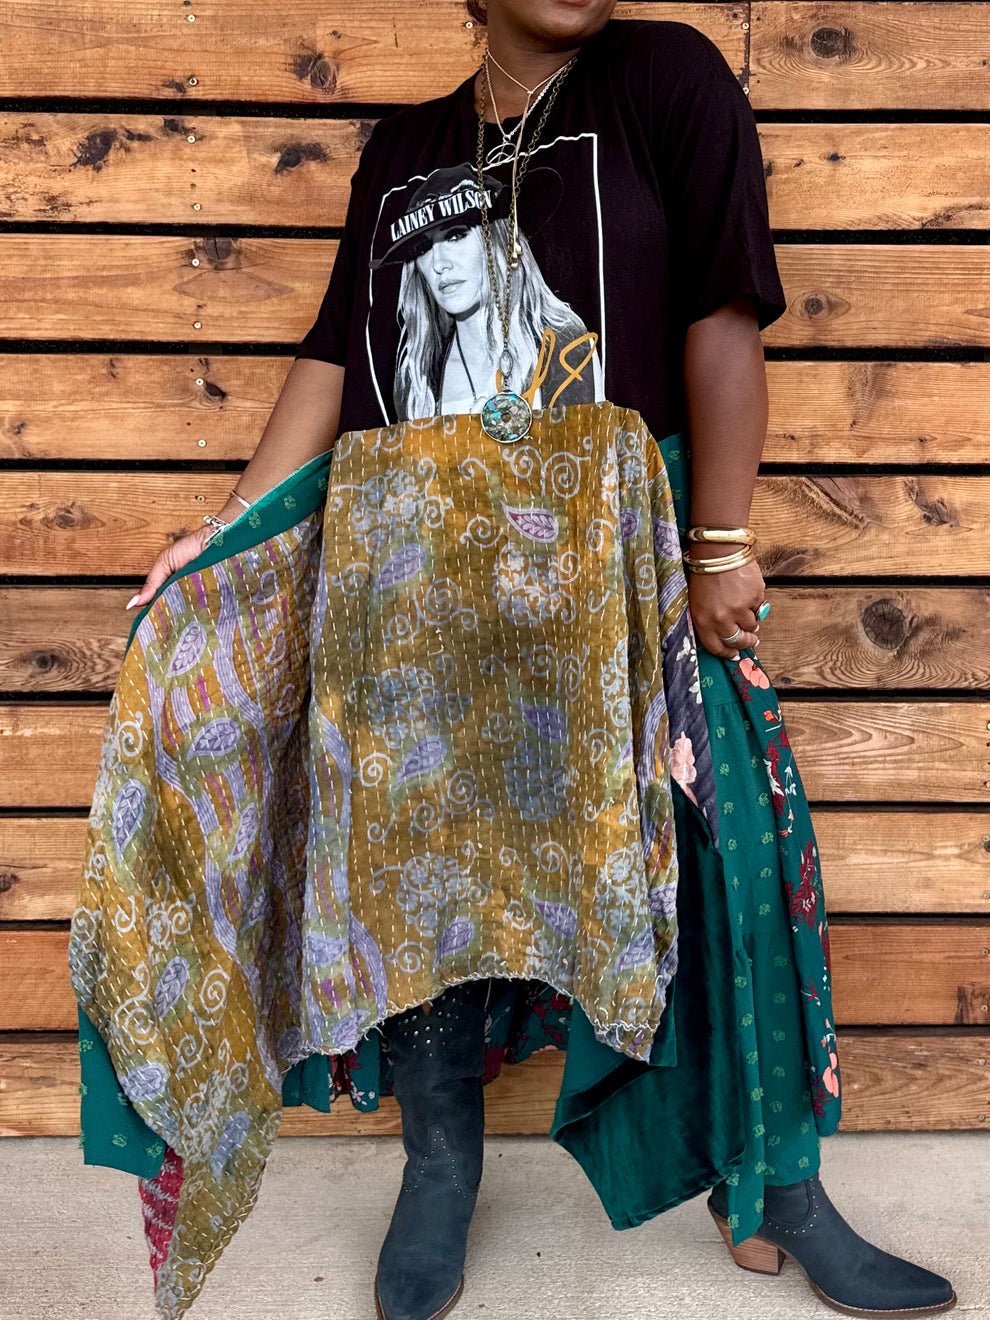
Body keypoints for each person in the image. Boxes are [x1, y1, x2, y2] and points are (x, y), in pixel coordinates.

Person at [70, 4, 956, 1320]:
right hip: (416, 579)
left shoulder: (662, 78)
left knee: (722, 845)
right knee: (420, 863)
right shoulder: (406, 146)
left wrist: (717, 542)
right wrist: (225, 530)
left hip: (615, 556)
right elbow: (338, 352)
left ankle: (776, 1184)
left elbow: (723, 310)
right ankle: (439, 1166)